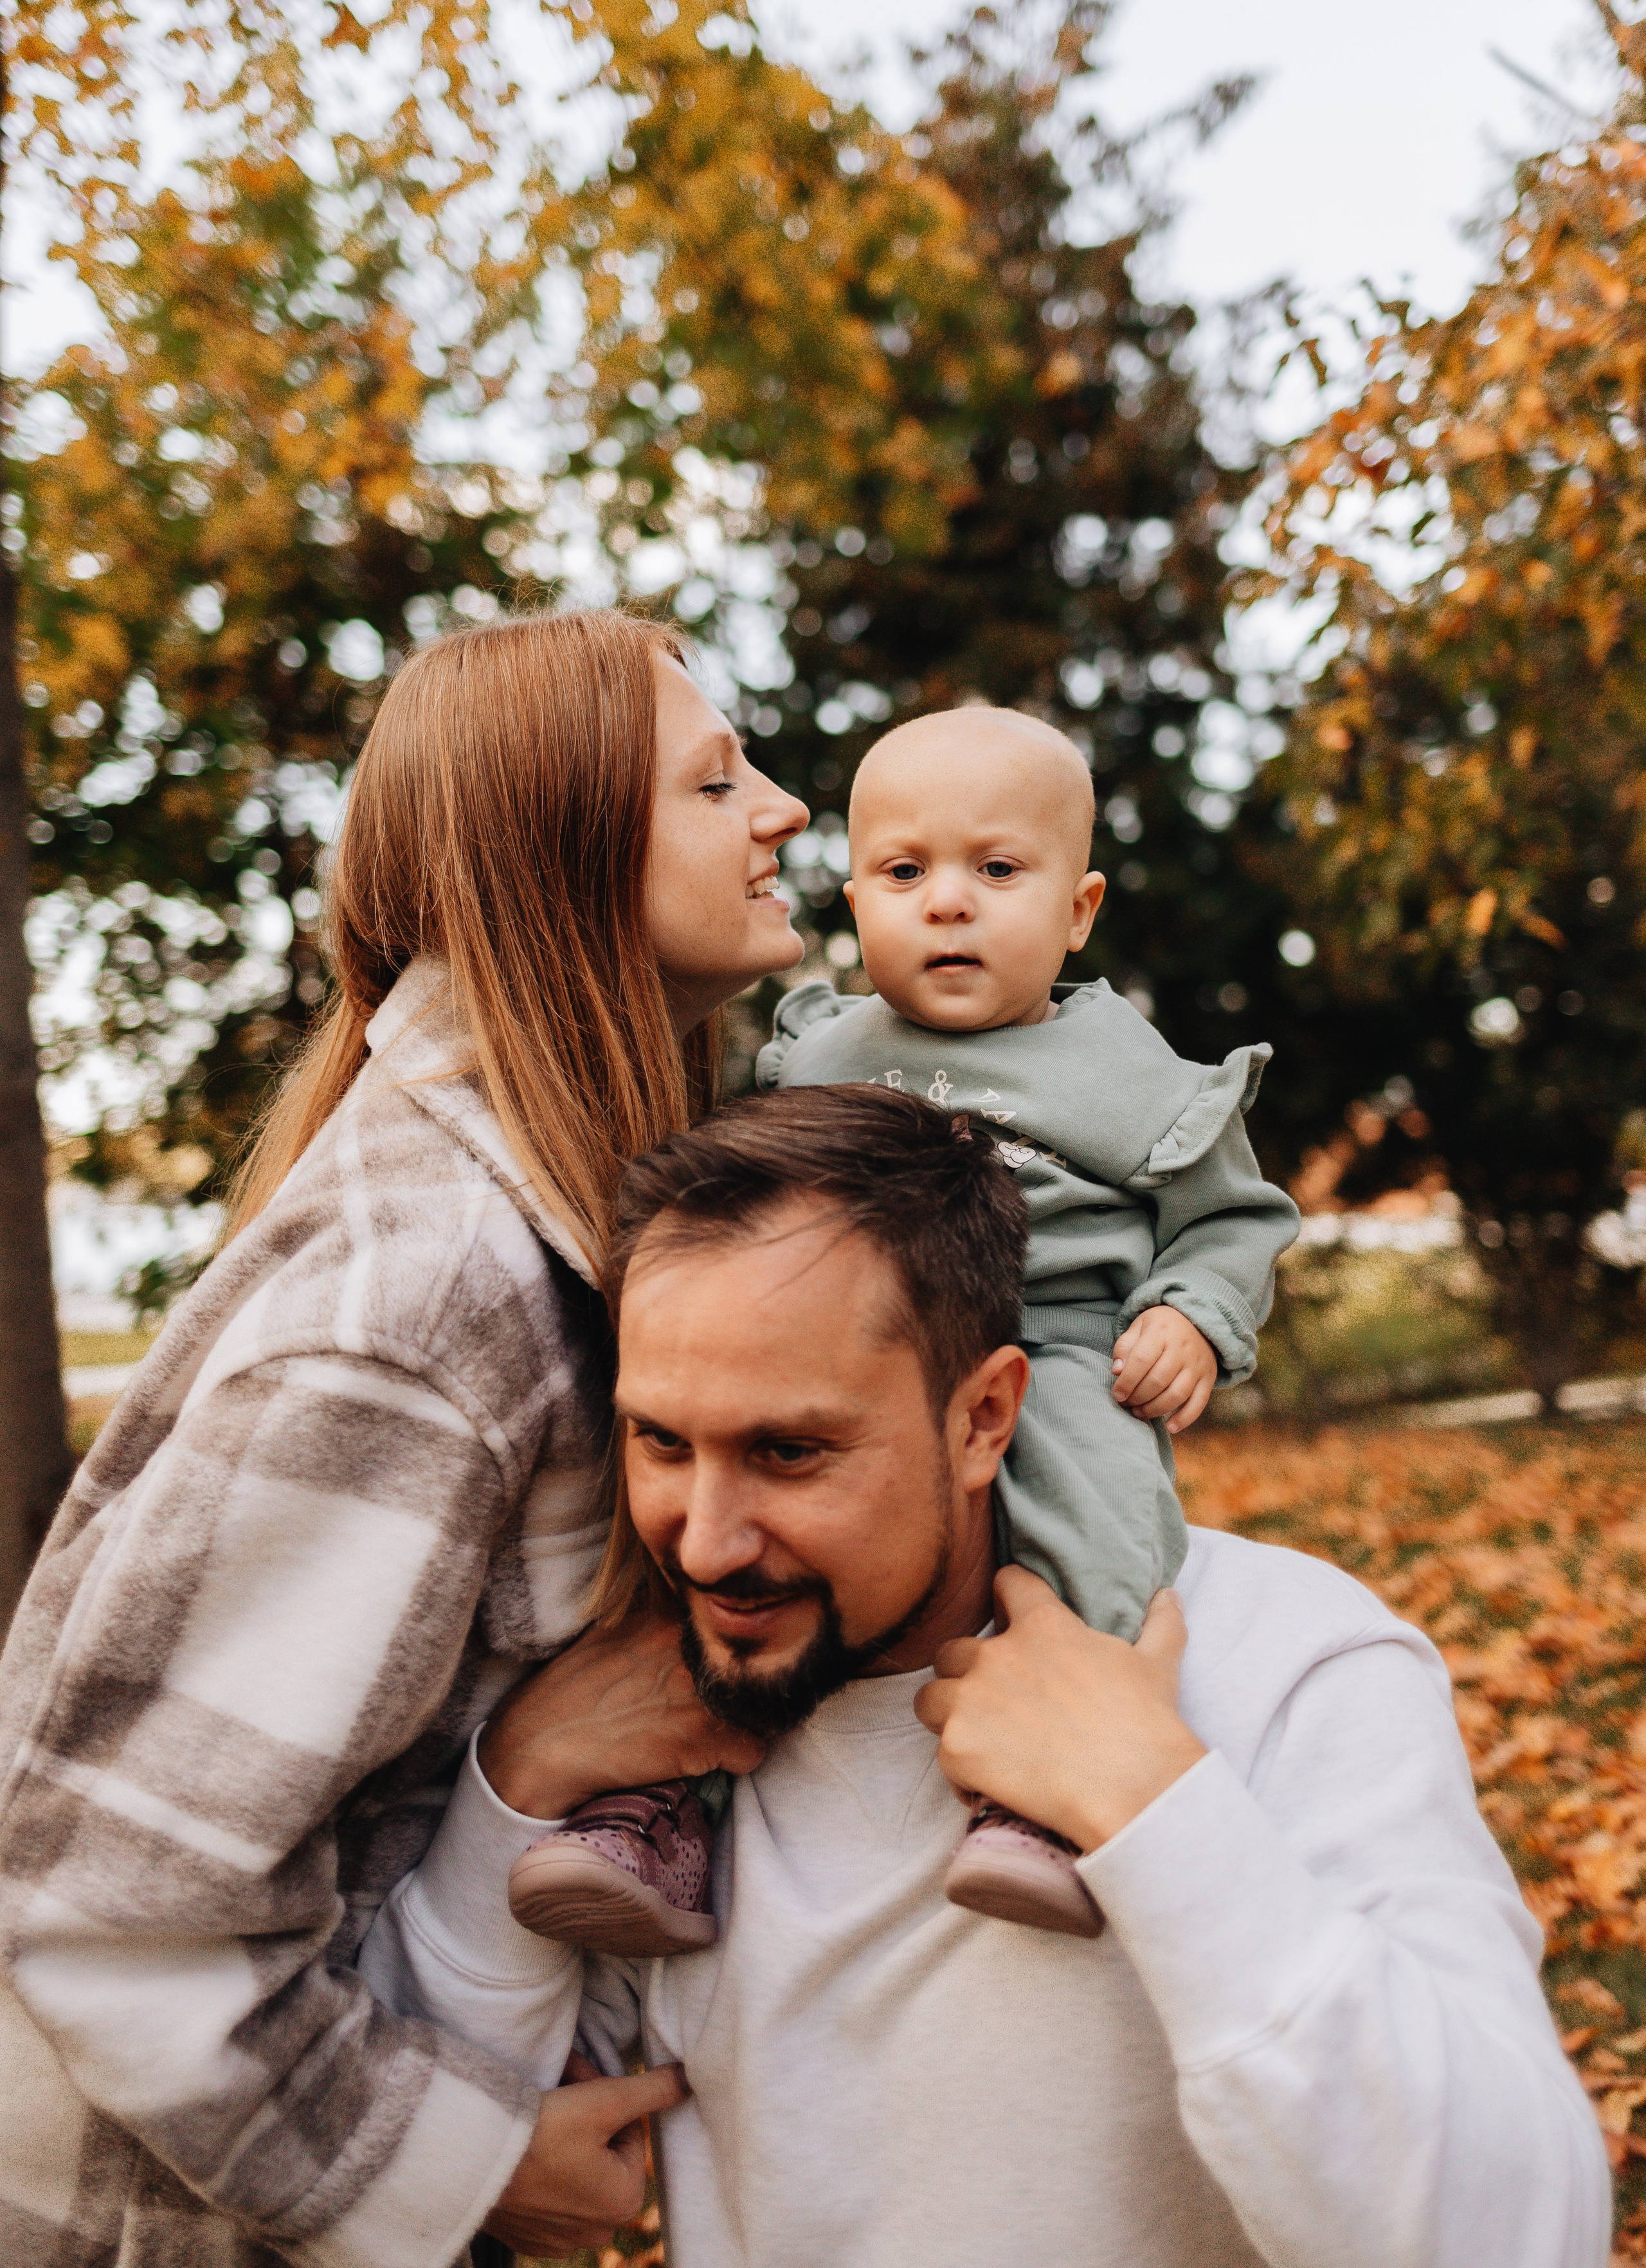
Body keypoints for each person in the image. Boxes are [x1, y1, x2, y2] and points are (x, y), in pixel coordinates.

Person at [361, 1082, 1611, 2268]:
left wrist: (1154, 1808)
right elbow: (420, 2167)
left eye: (788, 1452)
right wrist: (514, 1785)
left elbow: (1514, 2232)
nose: (703, 1539)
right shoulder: (656, 1764)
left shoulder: (1286, 1663)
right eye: (662, 1442)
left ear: (984, 1417)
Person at [0, 609, 806, 2267]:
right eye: (717, 781)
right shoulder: (429, 1297)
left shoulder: (529, 1219)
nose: (787, 808)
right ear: (563, 857)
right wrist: (462, 2167)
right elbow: (106, 1911)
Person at [503, 703, 1298, 1948]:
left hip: (1061, 1336)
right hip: (831, 1363)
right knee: (720, 1537)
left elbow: (1235, 1221)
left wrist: (1190, 1317)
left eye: (994, 871)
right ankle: (652, 1807)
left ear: (1077, 910)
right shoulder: (819, 1050)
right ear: (857, 894)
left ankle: (1045, 1788)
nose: (945, 905)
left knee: (1097, 1512)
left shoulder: (1132, 1076)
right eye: (903, 872)